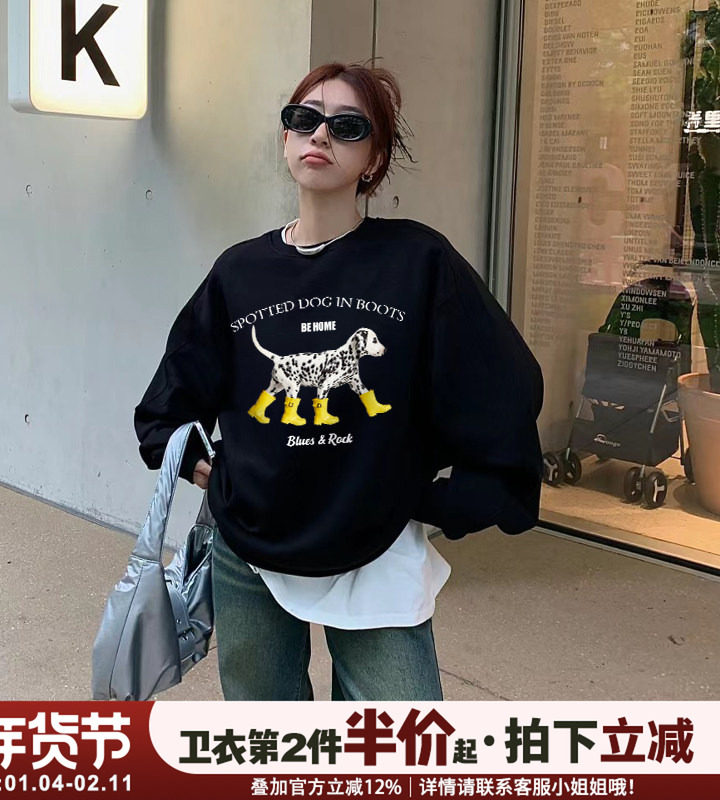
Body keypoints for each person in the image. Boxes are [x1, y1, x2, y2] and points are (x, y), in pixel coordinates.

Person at [133, 60, 544, 701]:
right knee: (268, 740)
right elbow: (173, 392)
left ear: (374, 158)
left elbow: (502, 384)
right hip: (249, 546)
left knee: (402, 741)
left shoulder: (417, 261)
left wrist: (442, 498)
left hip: (375, 544)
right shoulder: (240, 272)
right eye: (305, 119)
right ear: (286, 138)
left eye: (348, 126)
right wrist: (199, 464)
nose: (321, 135)